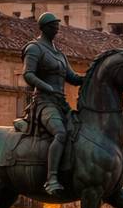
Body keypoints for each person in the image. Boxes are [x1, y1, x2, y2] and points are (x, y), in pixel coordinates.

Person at [21, 12, 86, 196]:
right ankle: (51, 179)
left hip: (60, 104)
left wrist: (91, 77)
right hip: (43, 103)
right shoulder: (34, 48)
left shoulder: (59, 54)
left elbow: (72, 78)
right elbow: (28, 74)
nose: (57, 29)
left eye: (58, 26)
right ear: (44, 28)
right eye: (53, 26)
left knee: (79, 133)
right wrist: (46, 87)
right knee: (60, 132)